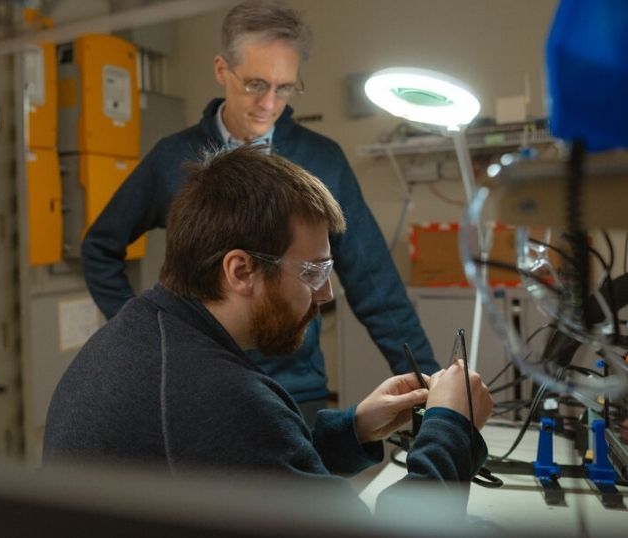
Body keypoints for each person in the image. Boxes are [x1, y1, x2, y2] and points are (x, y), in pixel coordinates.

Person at [44, 146, 493, 515]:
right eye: (313, 271)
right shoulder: (220, 397)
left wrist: (353, 430)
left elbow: (247, 466)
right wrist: (450, 427)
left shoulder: (140, 335)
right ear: (241, 270)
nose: (325, 295)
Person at [81, 0, 439, 420]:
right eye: (255, 84)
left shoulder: (322, 161)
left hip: (293, 389)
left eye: (284, 87)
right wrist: (144, 332)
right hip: (193, 385)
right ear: (221, 70)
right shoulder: (172, 159)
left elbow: (375, 285)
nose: (270, 103)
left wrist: (431, 387)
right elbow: (99, 249)